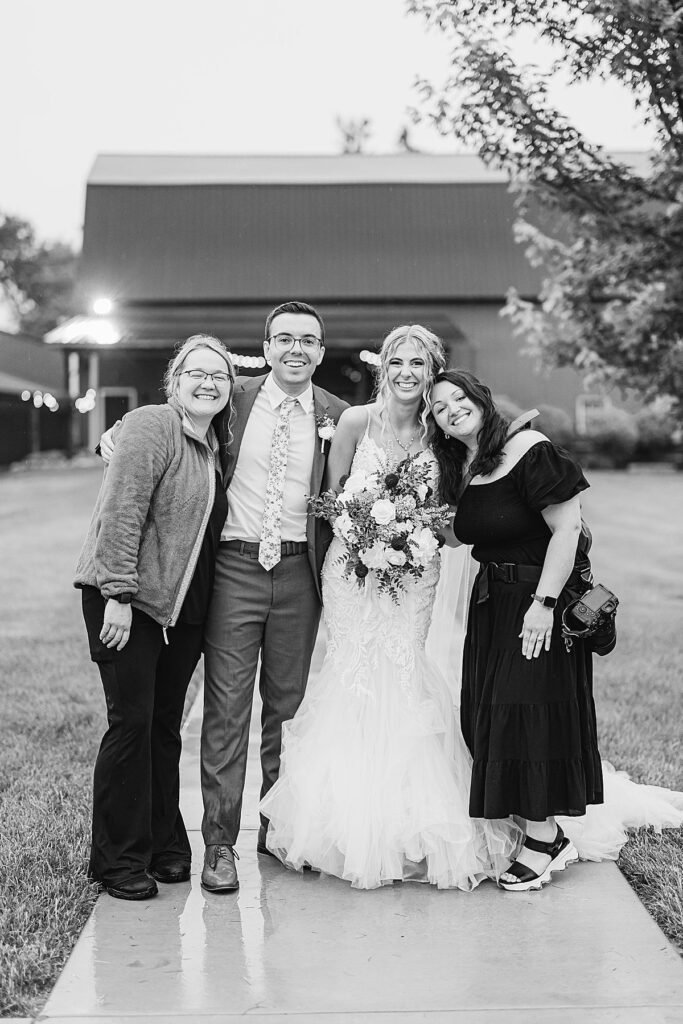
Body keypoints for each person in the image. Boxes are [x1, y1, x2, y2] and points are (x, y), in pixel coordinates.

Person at [259, 325, 521, 889]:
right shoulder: (356, 422)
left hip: (416, 571)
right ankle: (339, 826)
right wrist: (364, 535)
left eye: (419, 364)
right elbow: (330, 504)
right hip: (351, 575)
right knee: (352, 673)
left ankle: (413, 827)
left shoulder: (445, 435)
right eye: (397, 361)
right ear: (384, 368)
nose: (406, 372)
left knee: (403, 670)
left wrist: (410, 536)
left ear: (434, 373)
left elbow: (455, 517)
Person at [429, 368, 683, 891]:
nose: (451, 409)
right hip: (492, 608)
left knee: (528, 718)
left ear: (481, 397)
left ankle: (545, 838)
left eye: (459, 398)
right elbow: (458, 535)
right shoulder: (469, 468)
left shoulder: (530, 448)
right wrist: (387, 513)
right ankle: (535, 828)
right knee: (488, 719)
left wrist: (542, 602)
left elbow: (567, 528)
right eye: (439, 408)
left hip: (536, 605)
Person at [75, 335, 235, 900]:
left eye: (219, 375)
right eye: (197, 373)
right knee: (132, 722)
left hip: (182, 606)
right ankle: (119, 860)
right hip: (129, 600)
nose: (209, 382)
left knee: (165, 724)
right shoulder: (151, 425)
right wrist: (117, 592)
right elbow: (123, 510)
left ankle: (166, 843)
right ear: (175, 379)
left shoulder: (214, 441)